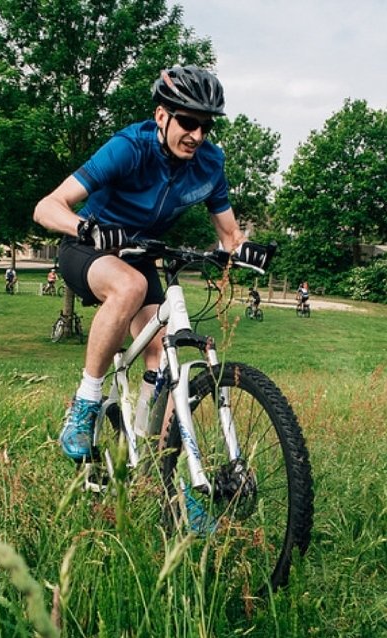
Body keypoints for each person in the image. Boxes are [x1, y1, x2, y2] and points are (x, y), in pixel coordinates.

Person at [33, 64, 273, 463]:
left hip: (140, 257)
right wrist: (87, 228)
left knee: (166, 353)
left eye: (205, 127)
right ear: (162, 116)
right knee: (130, 286)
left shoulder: (210, 165)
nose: (196, 135)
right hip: (89, 249)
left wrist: (245, 249)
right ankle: (85, 402)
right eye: (188, 122)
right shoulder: (130, 146)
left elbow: (230, 236)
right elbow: (47, 207)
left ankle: (159, 467)